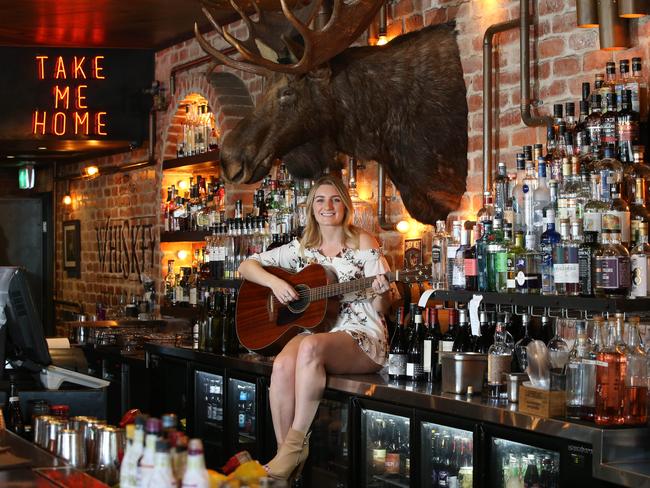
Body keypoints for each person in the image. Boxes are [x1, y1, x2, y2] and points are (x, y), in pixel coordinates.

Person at [238, 175, 396, 481]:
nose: (328, 206)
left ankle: (294, 448)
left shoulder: (364, 242)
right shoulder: (302, 249)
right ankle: (286, 465)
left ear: (345, 206)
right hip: (320, 333)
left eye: (336, 199)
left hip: (363, 335)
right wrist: (276, 282)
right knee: (283, 363)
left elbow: (382, 309)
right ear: (311, 208)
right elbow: (247, 266)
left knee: (309, 348)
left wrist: (382, 291)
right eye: (321, 200)